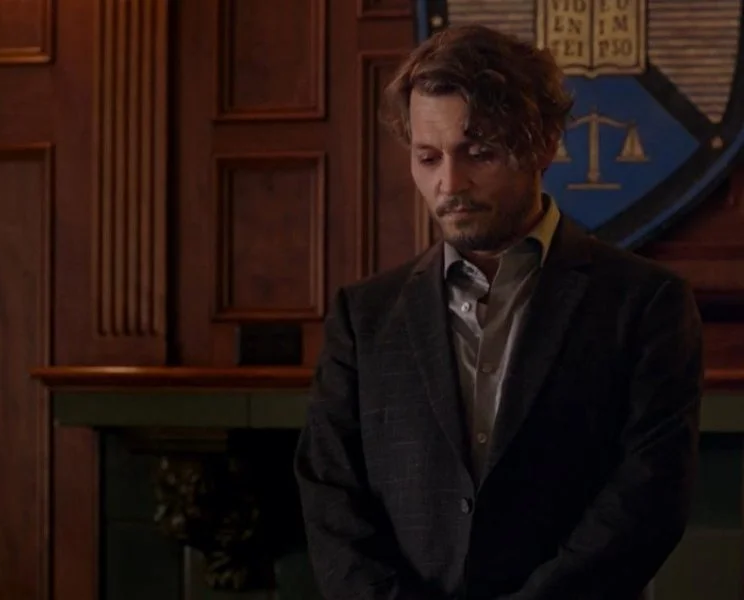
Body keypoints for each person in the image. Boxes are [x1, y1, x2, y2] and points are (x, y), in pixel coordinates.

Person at [294, 24, 703, 600]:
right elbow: (330, 498)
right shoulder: (364, 317)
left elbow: (648, 498)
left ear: (543, 144)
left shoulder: (643, 303)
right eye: (427, 157)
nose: (449, 183)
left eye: (479, 153)